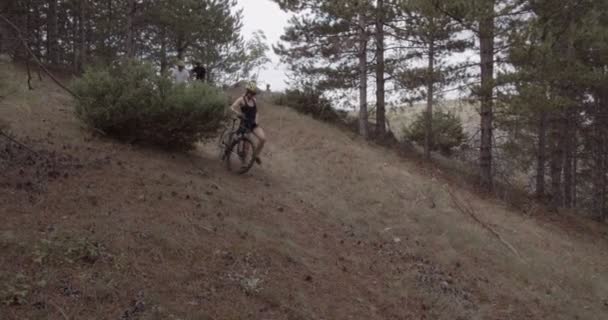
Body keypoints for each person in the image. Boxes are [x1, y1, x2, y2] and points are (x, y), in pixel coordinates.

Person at [230, 82, 266, 165]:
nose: (252, 94)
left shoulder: (254, 100)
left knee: (263, 139)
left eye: (253, 93)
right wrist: (237, 113)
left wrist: (256, 120)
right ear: (247, 91)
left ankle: (255, 155)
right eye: (250, 92)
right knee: (247, 144)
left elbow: (256, 112)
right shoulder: (241, 99)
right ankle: (244, 162)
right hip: (245, 123)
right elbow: (231, 108)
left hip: (253, 124)